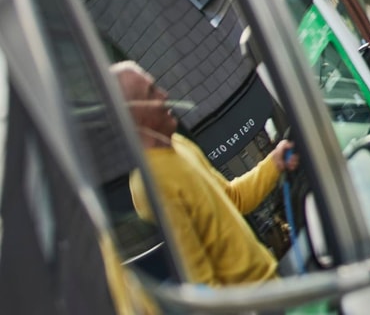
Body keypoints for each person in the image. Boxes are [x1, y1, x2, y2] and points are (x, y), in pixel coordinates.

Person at [113, 61, 299, 287]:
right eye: (151, 92)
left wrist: (274, 163)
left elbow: (233, 199)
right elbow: (200, 281)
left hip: (270, 286)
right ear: (134, 115)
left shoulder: (179, 144)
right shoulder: (151, 183)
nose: (164, 95)